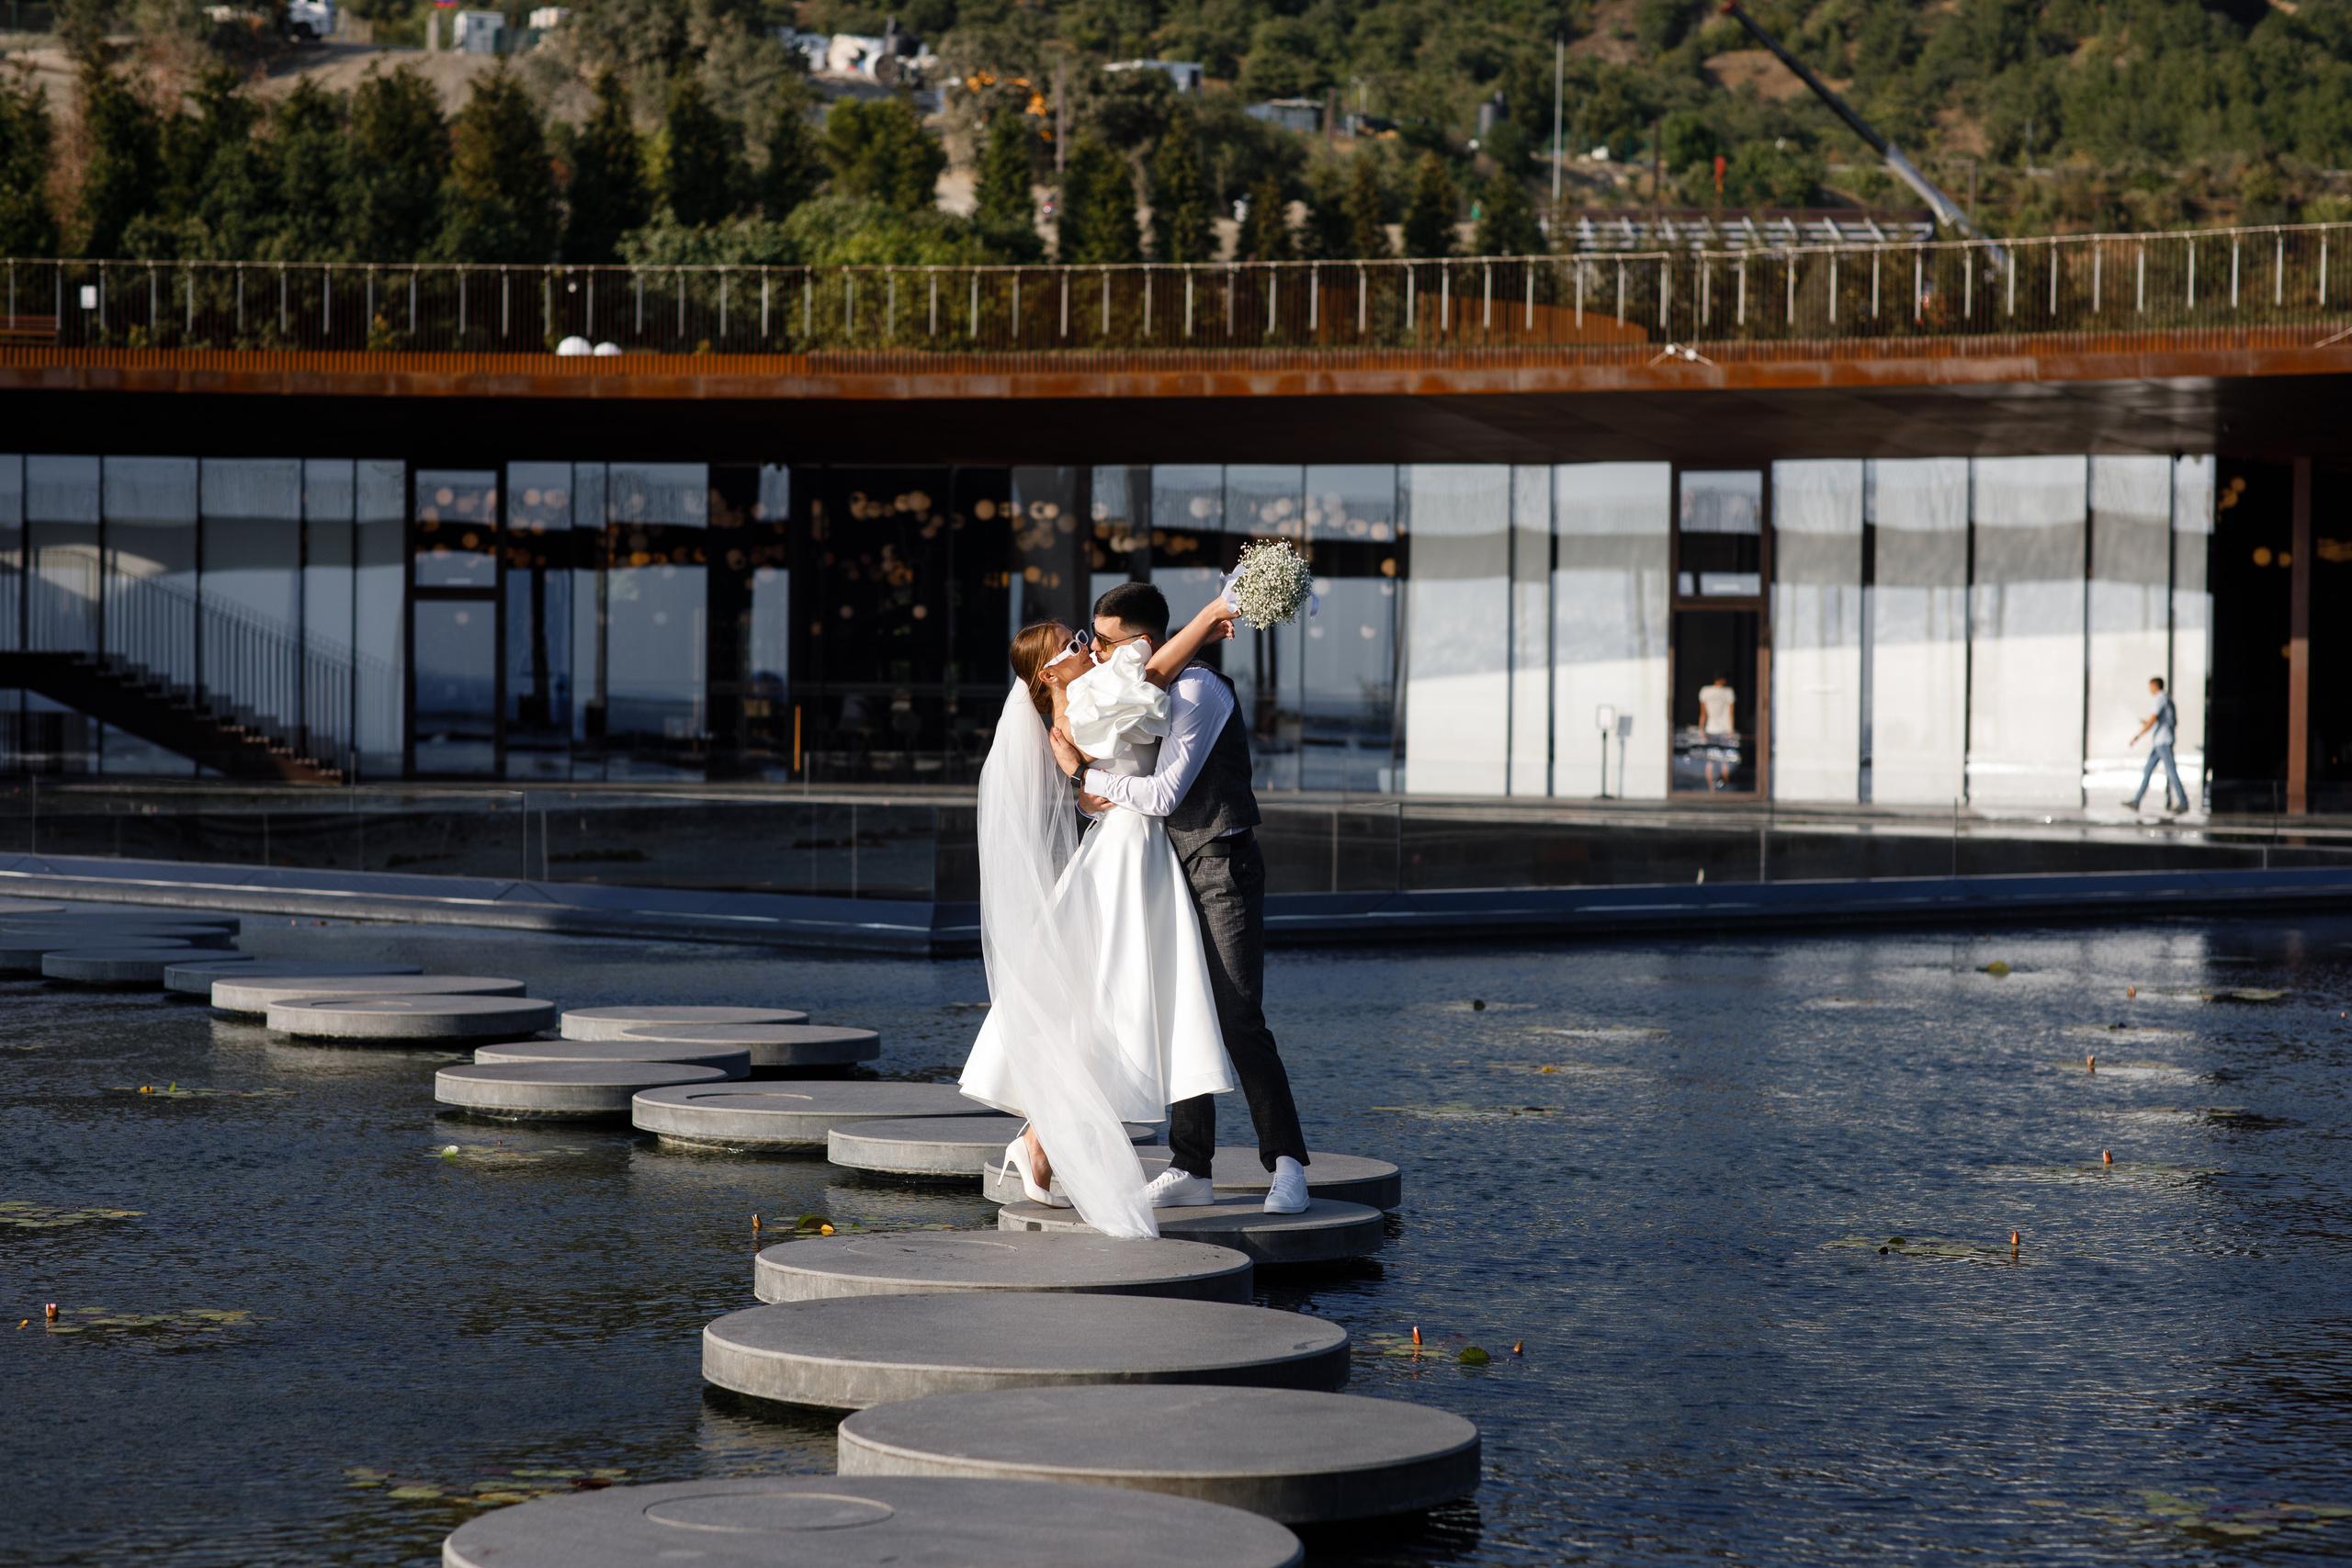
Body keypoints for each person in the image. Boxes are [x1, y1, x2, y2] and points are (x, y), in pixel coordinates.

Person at [959, 595, 1246, 1237]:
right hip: (1127, 855)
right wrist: (1209, 618)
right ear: (1048, 674)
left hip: (1130, 849)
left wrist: (1086, 779)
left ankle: (1038, 1141)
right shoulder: (1085, 702)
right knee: (1116, 999)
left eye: (1085, 637)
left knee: (1105, 1002)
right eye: (1073, 644)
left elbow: (1095, 792)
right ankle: (1042, 1141)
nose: (1087, 647)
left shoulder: (1087, 696)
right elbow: (1155, 669)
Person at [1048, 582, 1313, 1216]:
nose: (1097, 651)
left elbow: (1164, 795)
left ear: (1141, 642)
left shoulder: (1198, 690)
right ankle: (1191, 1166)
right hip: (1166, 867)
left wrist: (1083, 773)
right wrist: (1087, 780)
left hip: (1222, 865)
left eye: (1104, 641)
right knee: (1181, 1014)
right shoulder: (1147, 690)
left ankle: (1288, 1165)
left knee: (1239, 1017)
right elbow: (1121, 787)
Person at [2125, 675, 2188, 814]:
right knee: (2148, 770)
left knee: (2171, 771)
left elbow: (2153, 719)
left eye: (2150, 686)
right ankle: (2136, 800)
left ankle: (2184, 802)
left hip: (2163, 742)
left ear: (2155, 686)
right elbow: (2169, 720)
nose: (2149, 689)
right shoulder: (2168, 699)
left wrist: (2137, 737)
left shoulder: (2159, 698)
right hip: (2161, 742)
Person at [1698, 671, 1736, 791]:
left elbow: (1703, 713)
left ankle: (1711, 789)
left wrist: (1701, 729)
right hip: (1725, 730)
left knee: (1710, 761)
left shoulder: (1705, 691)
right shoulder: (1728, 692)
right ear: (1723, 680)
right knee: (1725, 761)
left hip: (1710, 728)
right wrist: (1731, 729)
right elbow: (1731, 713)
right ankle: (1726, 787)